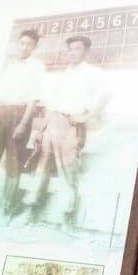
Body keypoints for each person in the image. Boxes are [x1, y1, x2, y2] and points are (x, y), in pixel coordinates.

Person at [32, 34, 110, 226]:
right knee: (43, 166)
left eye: (77, 49)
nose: (73, 52)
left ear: (85, 51)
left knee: (69, 170)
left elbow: (106, 94)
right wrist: (41, 129)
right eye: (71, 49)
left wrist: (86, 117)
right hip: (52, 122)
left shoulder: (93, 73)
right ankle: (34, 211)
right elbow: (51, 103)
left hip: (71, 125)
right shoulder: (63, 74)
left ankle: (68, 217)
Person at [0, 29, 46, 217]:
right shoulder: (11, 66)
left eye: (28, 44)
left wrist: (22, 124)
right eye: (21, 43)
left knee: (13, 162)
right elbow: (1, 96)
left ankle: (8, 207)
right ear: (17, 45)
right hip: (1, 113)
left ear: (34, 47)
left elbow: (33, 100)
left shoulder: (37, 67)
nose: (24, 47)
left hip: (19, 115)